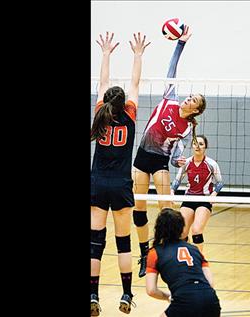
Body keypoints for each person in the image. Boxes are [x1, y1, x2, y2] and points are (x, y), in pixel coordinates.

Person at [132, 25, 207, 278]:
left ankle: (165, 251)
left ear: (195, 110)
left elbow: (175, 154)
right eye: (190, 97)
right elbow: (172, 68)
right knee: (138, 207)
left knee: (167, 208)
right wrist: (180, 43)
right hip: (141, 158)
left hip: (160, 162)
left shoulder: (186, 129)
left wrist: (178, 161)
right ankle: (144, 254)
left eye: (193, 101)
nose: (188, 99)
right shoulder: (170, 97)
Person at [90, 31, 150, 316]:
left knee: (95, 244)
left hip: (97, 184)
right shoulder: (131, 114)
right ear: (124, 102)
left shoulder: (100, 112)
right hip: (122, 185)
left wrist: (105, 53)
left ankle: (92, 295)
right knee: (123, 244)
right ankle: (126, 294)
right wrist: (138, 55)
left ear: (105, 100)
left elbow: (102, 83)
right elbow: (135, 83)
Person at [145, 208, 221, 317]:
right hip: (211, 301)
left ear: (159, 228)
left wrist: (167, 296)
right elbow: (210, 283)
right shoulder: (195, 249)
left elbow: (151, 290)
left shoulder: (155, 253)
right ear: (181, 227)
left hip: (185, 301)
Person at [170, 135, 223, 252]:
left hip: (204, 200)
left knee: (196, 230)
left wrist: (214, 193)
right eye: (195, 143)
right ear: (192, 146)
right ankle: (188, 256)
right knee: (182, 232)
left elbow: (219, 183)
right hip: (189, 199)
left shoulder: (211, 164)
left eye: (201, 144)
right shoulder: (187, 162)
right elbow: (177, 180)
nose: (197, 146)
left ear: (205, 147)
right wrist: (172, 191)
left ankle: (199, 261)